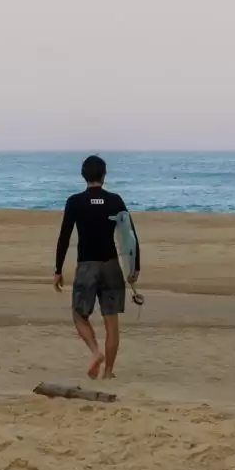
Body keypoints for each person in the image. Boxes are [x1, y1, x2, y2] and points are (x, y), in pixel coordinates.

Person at [53, 155, 140, 380]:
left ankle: (95, 352)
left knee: (79, 315)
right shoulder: (114, 200)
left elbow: (64, 236)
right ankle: (109, 372)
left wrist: (58, 269)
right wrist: (134, 267)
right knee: (111, 322)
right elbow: (130, 235)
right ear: (104, 175)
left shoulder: (75, 202)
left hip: (87, 266)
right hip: (111, 265)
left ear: (84, 175)